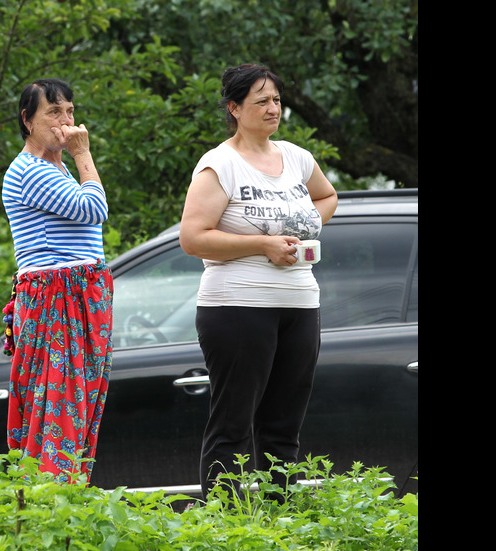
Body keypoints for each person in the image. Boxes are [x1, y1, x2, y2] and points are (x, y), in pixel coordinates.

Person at [177, 64, 338, 502]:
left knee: (284, 428)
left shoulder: (297, 158)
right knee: (233, 427)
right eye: (262, 101)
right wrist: (262, 245)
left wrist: (303, 225)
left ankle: (277, 524)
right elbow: (192, 238)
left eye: (277, 101)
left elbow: (327, 196)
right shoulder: (219, 164)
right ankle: (226, 526)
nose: (274, 109)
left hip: (301, 304)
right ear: (234, 108)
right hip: (236, 307)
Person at [1, 78, 113, 484]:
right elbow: (93, 209)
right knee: (58, 404)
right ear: (27, 120)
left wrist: (74, 160)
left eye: (69, 111)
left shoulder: (56, 167)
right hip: (55, 295)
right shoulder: (29, 170)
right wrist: (85, 155)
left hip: (81, 293)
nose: (66, 122)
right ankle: (47, 505)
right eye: (54, 112)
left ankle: (68, 506)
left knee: (81, 402)